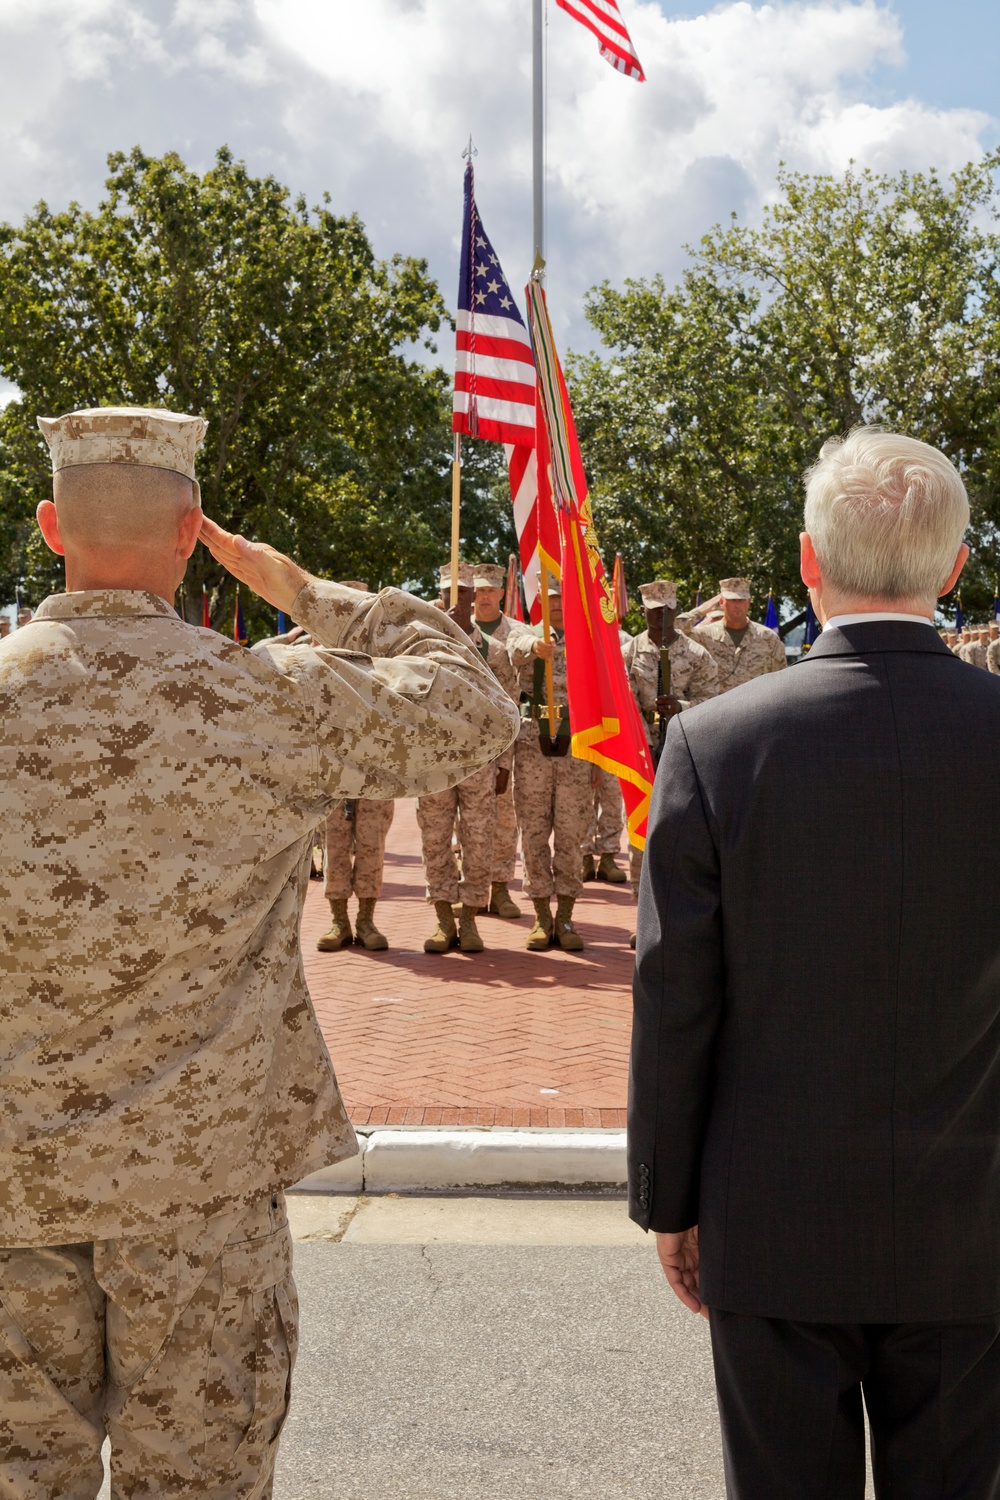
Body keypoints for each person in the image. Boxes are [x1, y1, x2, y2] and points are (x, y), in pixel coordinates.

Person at [0, 406, 519, 1498]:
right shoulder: (267, 695)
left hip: (10, 1186)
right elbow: (475, 706)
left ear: (51, 527)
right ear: (192, 532)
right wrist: (303, 591)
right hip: (202, 1191)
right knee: (196, 1479)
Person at [629, 426, 1000, 1497]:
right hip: (972, 1223)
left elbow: (676, 997)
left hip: (772, 1220)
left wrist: (669, 1196)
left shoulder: (714, 743)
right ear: (953, 568)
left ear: (805, 561)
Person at [417, 563, 518, 954]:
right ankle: (444, 920)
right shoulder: (419, 645)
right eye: (448, 595)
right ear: (439, 598)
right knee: (436, 840)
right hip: (435, 763)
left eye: (464, 594)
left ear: (474, 598)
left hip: (479, 763)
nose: (455, 602)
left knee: (479, 842)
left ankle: (471, 920)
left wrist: (504, 764)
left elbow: (507, 710)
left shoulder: (493, 652)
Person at [623, 579, 719, 947]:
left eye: (665, 612)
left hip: (684, 753)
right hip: (643, 753)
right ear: (643, 611)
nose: (658, 619)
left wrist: (682, 707)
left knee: (683, 833)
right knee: (641, 833)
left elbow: (714, 699)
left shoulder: (696, 655)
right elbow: (619, 700)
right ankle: (642, 918)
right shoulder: (629, 650)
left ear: (675, 612)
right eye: (651, 612)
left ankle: (677, 918)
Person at [508, 577, 592, 952]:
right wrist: (536, 645)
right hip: (533, 746)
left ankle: (567, 916)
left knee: (572, 834)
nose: (557, 605)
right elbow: (515, 649)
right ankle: (542, 917)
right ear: (541, 601)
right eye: (551, 598)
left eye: (563, 599)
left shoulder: (589, 639)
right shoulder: (525, 635)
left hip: (577, 746)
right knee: (534, 833)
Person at [316, 580, 396, 953]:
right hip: (333, 769)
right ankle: (339, 921)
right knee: (335, 844)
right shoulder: (315, 652)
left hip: (375, 768)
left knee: (371, 844)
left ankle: (366, 920)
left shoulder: (385, 654)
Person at [472, 561, 532, 919]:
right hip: (463, 739)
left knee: (503, 818)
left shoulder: (516, 632)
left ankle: (499, 890)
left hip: (503, 739)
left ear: (501, 593)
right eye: (478, 591)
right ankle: (471, 890)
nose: (483, 597)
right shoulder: (454, 628)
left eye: (490, 590)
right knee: (466, 821)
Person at [676, 576, 786, 690]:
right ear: (722, 602)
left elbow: (780, 680)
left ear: (749, 602)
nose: (737, 605)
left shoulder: (768, 638)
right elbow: (672, 630)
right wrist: (701, 610)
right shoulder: (704, 636)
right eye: (732, 600)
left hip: (756, 706)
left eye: (741, 600)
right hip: (718, 706)